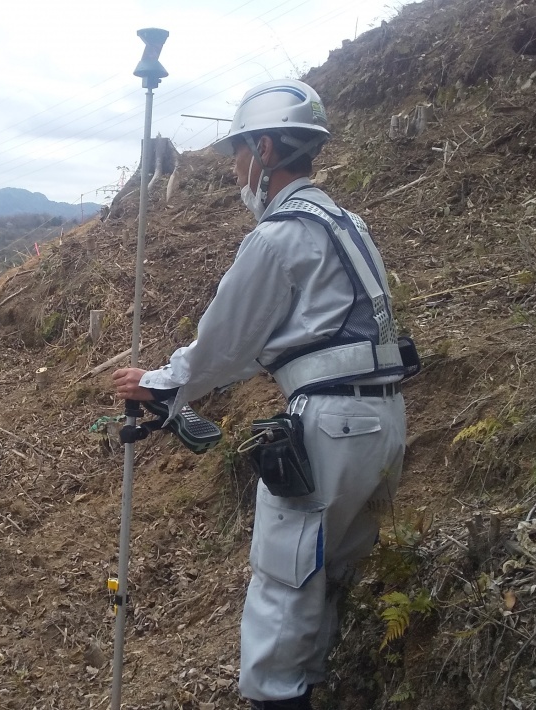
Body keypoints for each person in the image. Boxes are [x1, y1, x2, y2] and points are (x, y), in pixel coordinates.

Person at [112, 78, 408, 710]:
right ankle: (319, 688)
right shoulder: (345, 222)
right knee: (332, 572)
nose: (236, 170)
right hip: (383, 419)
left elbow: (226, 342)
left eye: (241, 153)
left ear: (267, 150)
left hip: (331, 422)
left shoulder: (278, 237)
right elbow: (310, 334)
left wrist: (161, 386)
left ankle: (280, 698)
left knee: (286, 579)